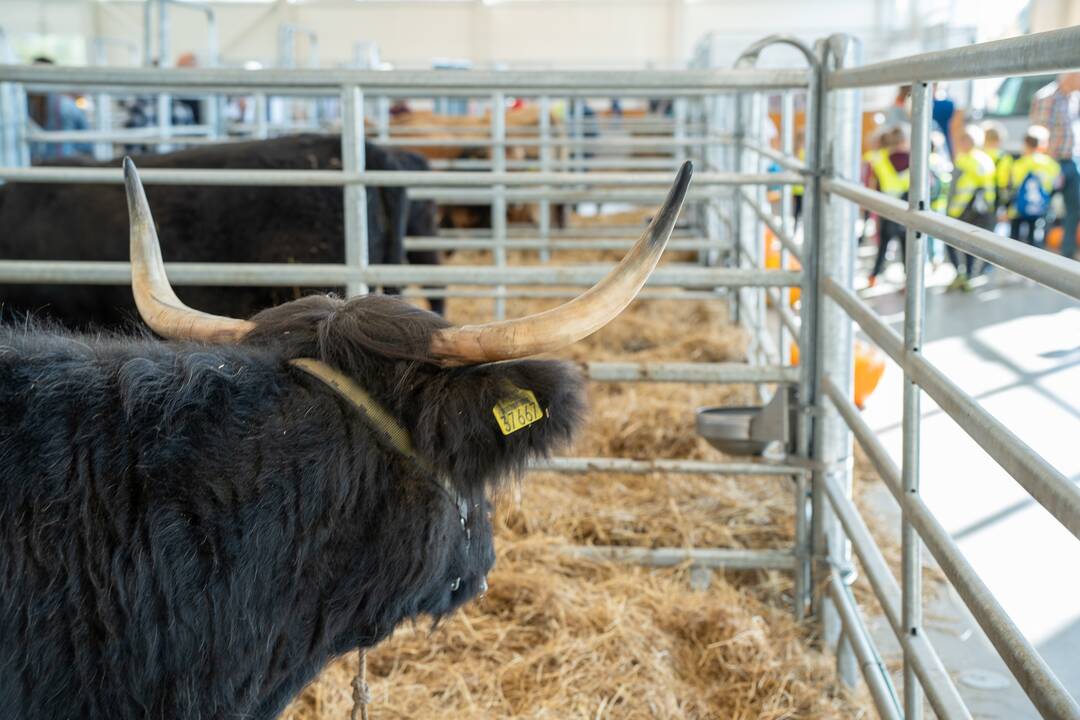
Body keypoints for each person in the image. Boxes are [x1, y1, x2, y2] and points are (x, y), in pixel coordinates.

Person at [1030, 71, 1080, 260]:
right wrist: (1049, 166)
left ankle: (1066, 254)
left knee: (1074, 209)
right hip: (1052, 162)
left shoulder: (1074, 97)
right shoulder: (1047, 97)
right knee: (1042, 208)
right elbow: (1039, 133)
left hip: (1072, 160)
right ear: (1070, 75)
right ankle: (1038, 253)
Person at [945, 125, 996, 291]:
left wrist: (950, 208)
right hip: (981, 210)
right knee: (970, 245)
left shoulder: (963, 160)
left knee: (952, 241)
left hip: (961, 209)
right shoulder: (986, 160)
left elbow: (955, 188)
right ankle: (968, 275)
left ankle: (963, 275)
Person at [865, 124, 911, 287]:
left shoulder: (878, 158)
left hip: (886, 206)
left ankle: (874, 276)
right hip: (907, 207)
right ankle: (908, 282)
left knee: (883, 244)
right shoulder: (915, 158)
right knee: (907, 246)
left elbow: (873, 185)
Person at [26, 56, 92, 163]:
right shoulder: (68, 105)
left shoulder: (21, 107)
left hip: (33, 165)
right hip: (63, 164)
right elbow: (87, 144)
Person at [1004, 126, 1061, 246]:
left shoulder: (1020, 163)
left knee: (1015, 238)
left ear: (1025, 144)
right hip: (1039, 208)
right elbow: (1057, 184)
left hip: (1018, 208)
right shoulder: (1051, 164)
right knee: (1034, 238)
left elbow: (1013, 185)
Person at [981, 120, 1013, 213]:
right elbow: (1003, 181)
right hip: (993, 198)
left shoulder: (977, 154)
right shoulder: (1004, 157)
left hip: (974, 196)